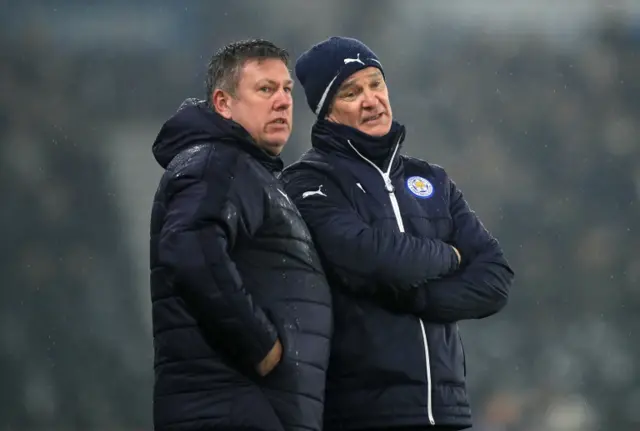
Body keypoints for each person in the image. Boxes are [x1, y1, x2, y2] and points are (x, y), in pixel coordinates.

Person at [282, 36, 515, 431]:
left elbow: (495, 279)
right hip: (363, 412)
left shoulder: (431, 179)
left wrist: (420, 296)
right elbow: (368, 256)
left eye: (376, 84)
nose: (371, 99)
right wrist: (452, 256)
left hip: (447, 411)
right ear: (326, 111)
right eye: (351, 92)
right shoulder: (309, 181)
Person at [149, 39, 332, 431]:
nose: (283, 101)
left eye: (286, 89)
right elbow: (189, 250)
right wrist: (261, 345)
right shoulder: (218, 162)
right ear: (223, 104)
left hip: (252, 408)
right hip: (232, 408)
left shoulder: (247, 170)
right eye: (265, 89)